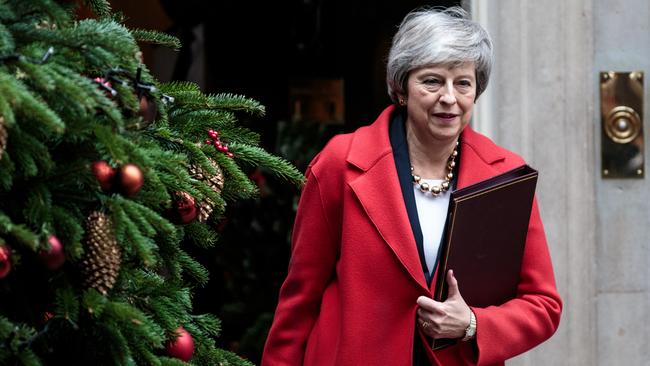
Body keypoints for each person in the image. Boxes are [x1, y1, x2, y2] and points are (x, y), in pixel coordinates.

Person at [262, 6, 562, 366]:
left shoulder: (506, 175)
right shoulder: (340, 163)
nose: (449, 97)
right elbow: (300, 299)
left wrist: (472, 324)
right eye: (432, 81)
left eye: (463, 83)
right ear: (401, 87)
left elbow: (543, 305)